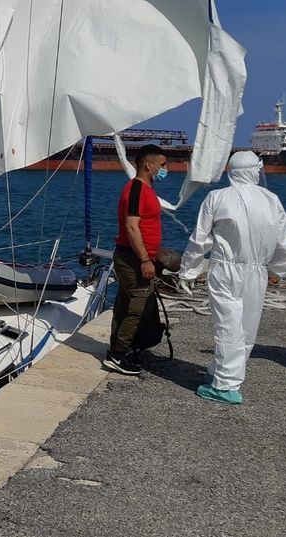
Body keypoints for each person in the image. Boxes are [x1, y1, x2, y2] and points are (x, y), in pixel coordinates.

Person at [179, 151, 286, 404]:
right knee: (247, 326)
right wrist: (278, 271)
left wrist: (188, 271)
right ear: (255, 170)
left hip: (225, 269)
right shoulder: (271, 199)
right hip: (258, 271)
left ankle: (225, 385)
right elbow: (284, 240)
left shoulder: (217, 197)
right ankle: (222, 371)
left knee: (228, 325)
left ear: (230, 171)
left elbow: (200, 239)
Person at [104, 144, 167, 375]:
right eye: (162, 165)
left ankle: (117, 349)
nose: (164, 169)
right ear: (148, 165)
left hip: (136, 257)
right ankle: (118, 354)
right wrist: (144, 260)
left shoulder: (146, 190)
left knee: (125, 304)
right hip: (132, 258)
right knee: (136, 307)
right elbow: (132, 227)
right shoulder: (136, 190)